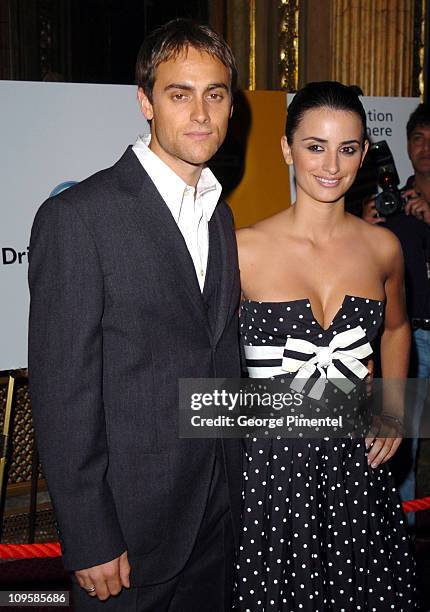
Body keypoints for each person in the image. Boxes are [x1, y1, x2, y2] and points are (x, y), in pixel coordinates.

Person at [28, 19, 242, 611]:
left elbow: (216, 361)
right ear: (146, 102)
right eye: (181, 94)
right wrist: (89, 533)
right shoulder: (79, 218)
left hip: (216, 518)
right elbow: (61, 391)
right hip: (126, 535)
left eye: (215, 94)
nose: (201, 113)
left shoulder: (219, 215)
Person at [235, 82, 416, 610]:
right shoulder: (241, 248)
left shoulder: (383, 247)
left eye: (347, 147)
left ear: (364, 153)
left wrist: (393, 407)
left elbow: (398, 329)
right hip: (270, 473)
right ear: (287, 149)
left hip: (358, 469)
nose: (331, 165)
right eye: (315, 146)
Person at [363, 104, 430, 511]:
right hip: (413, 338)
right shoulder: (392, 202)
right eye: (418, 138)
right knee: (401, 447)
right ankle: (400, 542)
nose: (425, 147)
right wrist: (364, 229)